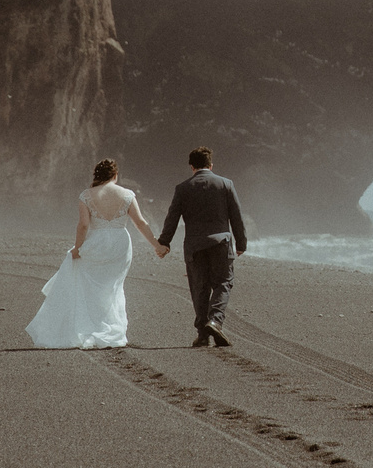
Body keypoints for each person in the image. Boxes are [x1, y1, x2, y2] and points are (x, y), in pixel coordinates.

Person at [25, 159, 157, 350]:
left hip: (97, 243)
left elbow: (84, 225)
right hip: (120, 244)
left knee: (89, 286)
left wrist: (77, 248)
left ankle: (89, 326)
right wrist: (157, 245)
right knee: (112, 286)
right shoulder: (127, 194)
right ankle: (113, 328)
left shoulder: (87, 195)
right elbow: (140, 223)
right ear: (115, 175)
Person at [158, 146, 248, 347]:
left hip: (194, 245)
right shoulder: (225, 184)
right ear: (211, 165)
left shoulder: (183, 188)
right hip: (221, 243)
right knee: (223, 282)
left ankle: (202, 333)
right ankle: (215, 320)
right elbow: (236, 216)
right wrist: (241, 243)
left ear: (191, 166)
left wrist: (164, 242)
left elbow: (172, 218)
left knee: (199, 287)